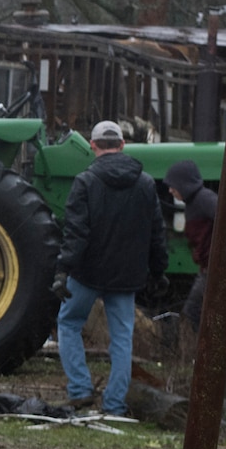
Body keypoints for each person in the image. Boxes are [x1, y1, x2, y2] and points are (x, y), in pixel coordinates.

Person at [56, 119, 168, 413]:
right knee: (121, 339)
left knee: (69, 324)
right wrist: (159, 270)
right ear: (122, 145)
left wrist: (63, 270)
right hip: (127, 275)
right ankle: (115, 404)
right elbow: (157, 232)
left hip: (87, 273)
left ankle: (80, 390)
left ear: (92, 146)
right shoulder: (145, 183)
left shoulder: (85, 182)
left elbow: (75, 233)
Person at [165, 158, 218, 332]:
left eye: (173, 185)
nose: (170, 190)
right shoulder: (195, 202)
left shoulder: (205, 200)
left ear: (184, 184)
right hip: (207, 267)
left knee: (192, 313)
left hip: (212, 269)